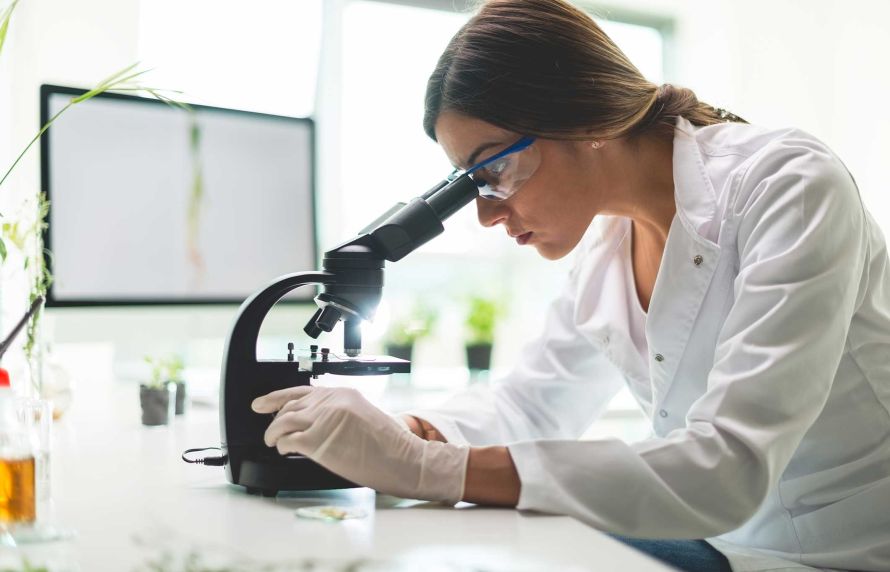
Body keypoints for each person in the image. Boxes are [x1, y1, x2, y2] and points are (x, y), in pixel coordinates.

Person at [251, 1, 890, 570]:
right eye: (470, 184)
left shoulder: (789, 187)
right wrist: (407, 432)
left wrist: (428, 468)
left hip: (842, 551)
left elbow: (729, 466)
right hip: (722, 540)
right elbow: (529, 408)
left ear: (586, 119)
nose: (486, 213)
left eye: (493, 169)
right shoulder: (607, 249)